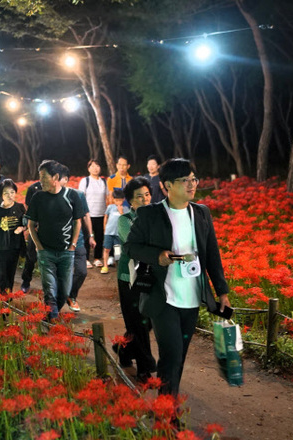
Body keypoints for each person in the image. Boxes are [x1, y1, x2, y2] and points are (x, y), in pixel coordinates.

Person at [123, 158, 232, 397]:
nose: (192, 185)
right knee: (171, 356)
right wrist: (157, 256)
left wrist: (222, 292)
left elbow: (212, 254)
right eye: (184, 181)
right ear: (167, 185)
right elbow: (131, 247)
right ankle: (167, 412)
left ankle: (167, 400)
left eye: (193, 179)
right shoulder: (151, 214)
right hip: (164, 298)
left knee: (179, 356)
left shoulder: (202, 213)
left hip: (192, 298)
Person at [25, 160, 84, 320]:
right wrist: (38, 247)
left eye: (44, 177)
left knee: (65, 291)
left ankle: (48, 317)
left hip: (66, 252)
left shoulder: (71, 196)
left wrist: (73, 245)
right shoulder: (38, 197)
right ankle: (52, 320)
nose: (40, 181)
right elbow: (31, 224)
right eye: (40, 177)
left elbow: (77, 221)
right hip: (46, 252)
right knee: (49, 289)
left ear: (56, 176)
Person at [116, 176, 156, 382]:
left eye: (147, 195)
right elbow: (135, 246)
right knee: (138, 322)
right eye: (139, 197)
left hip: (153, 277)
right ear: (130, 201)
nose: (145, 199)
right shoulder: (124, 221)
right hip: (129, 278)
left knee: (147, 321)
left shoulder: (157, 217)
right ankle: (145, 367)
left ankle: (123, 348)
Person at [59, 165, 94, 313]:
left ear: (66, 180)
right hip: (59, 243)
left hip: (78, 241)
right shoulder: (48, 196)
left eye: (58, 178)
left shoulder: (78, 195)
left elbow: (85, 215)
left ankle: (71, 295)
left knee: (82, 271)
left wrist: (91, 235)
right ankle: (55, 308)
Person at [77, 159, 107, 268]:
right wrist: (82, 213)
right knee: (86, 237)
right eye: (92, 166)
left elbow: (107, 198)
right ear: (88, 168)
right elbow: (80, 198)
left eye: (97, 166)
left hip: (101, 213)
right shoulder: (85, 181)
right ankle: (85, 259)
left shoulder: (103, 181)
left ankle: (97, 258)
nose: (95, 168)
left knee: (99, 237)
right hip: (88, 215)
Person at [20, 172, 45, 293]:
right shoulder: (33, 188)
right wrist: (32, 225)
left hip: (50, 229)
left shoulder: (54, 189)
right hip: (34, 228)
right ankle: (26, 280)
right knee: (31, 256)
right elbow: (27, 207)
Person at [101, 189, 127, 274]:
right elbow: (106, 217)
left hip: (118, 234)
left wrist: (121, 212)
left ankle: (119, 267)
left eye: (120, 200)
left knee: (118, 251)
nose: (118, 202)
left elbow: (125, 220)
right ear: (113, 199)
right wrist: (105, 228)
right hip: (109, 232)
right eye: (116, 200)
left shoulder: (126, 209)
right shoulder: (110, 207)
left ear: (123, 199)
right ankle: (105, 266)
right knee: (106, 249)